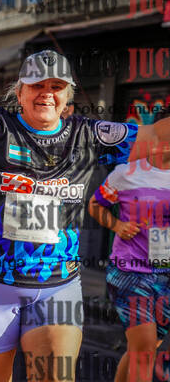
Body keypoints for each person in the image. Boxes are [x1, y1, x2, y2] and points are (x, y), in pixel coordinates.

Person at [0, 42, 170, 381]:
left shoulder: (89, 135)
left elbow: (157, 136)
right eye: (37, 85)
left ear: (67, 97)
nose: (46, 93)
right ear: (19, 93)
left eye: (56, 86)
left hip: (57, 284)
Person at [89, 150, 170, 382]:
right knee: (144, 351)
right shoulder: (127, 174)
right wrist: (118, 226)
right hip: (130, 271)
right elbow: (95, 205)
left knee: (143, 348)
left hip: (166, 274)